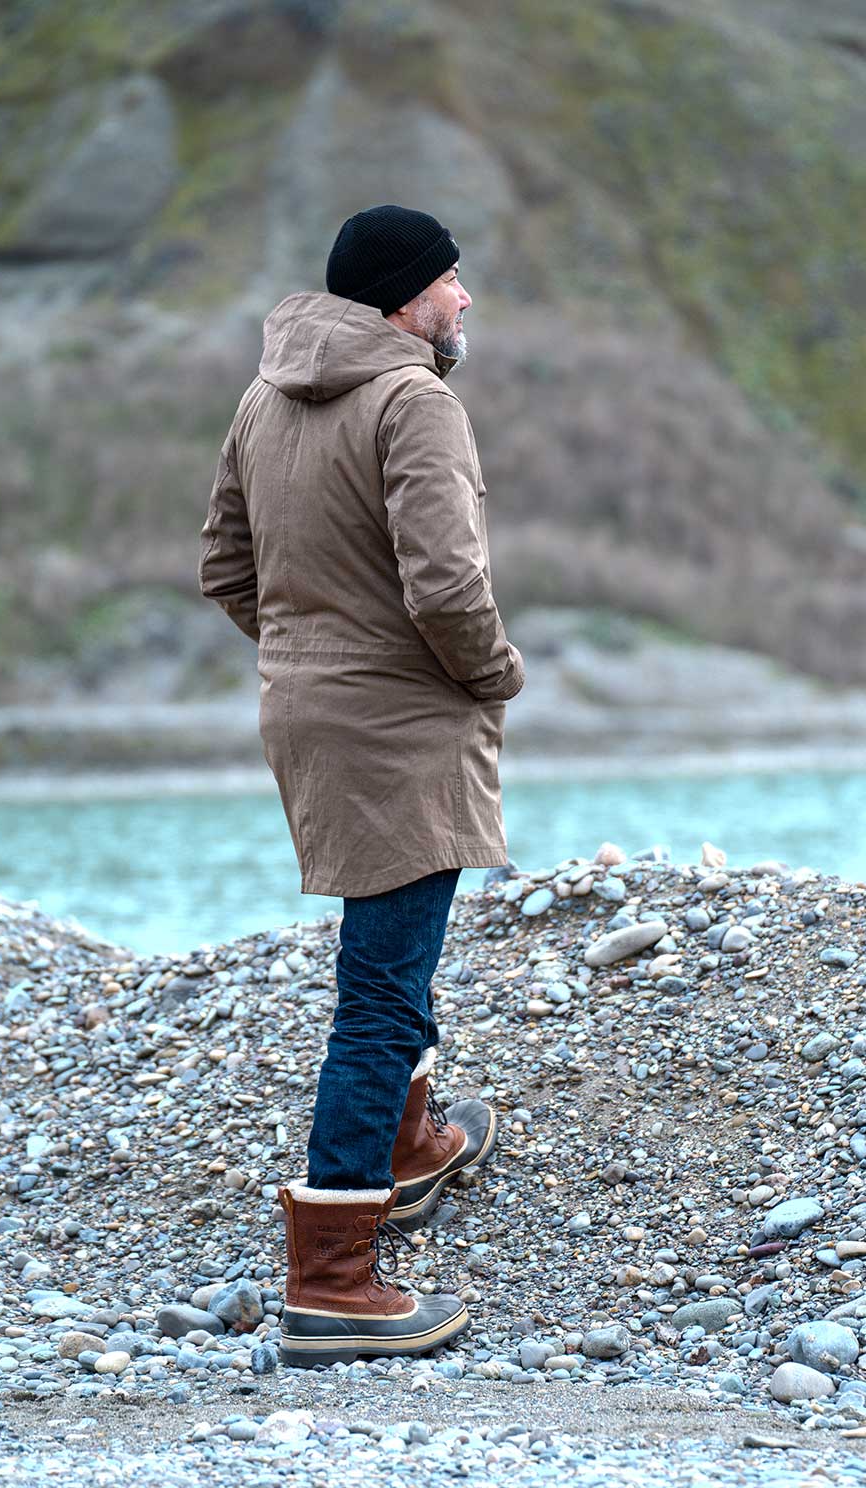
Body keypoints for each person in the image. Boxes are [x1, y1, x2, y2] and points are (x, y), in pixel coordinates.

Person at [198, 204, 525, 1367]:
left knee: (387, 955)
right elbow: (446, 590)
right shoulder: (413, 402)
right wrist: (496, 673)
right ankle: (333, 1273)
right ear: (402, 296)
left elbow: (224, 569)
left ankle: (409, 1145)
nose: (464, 298)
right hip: (401, 724)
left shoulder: (262, 396)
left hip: (308, 713)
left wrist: (310, 652)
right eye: (449, 279)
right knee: (382, 988)